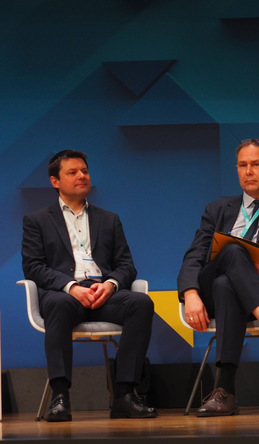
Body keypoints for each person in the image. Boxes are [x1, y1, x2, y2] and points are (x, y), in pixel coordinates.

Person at [22, 150, 158, 421]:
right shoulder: (37, 220)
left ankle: (125, 395)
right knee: (58, 305)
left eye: (84, 171)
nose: (81, 176)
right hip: (65, 295)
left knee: (141, 303)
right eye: (72, 172)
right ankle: (60, 396)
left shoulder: (109, 219)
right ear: (55, 181)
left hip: (103, 293)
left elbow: (126, 266)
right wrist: (71, 287)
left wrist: (109, 285)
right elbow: (33, 267)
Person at [178, 138, 259, 417]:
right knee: (234, 249)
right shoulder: (217, 209)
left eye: (256, 164)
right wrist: (190, 294)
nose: (248, 171)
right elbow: (194, 256)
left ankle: (224, 391)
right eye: (242, 165)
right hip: (209, 294)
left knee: (226, 283)